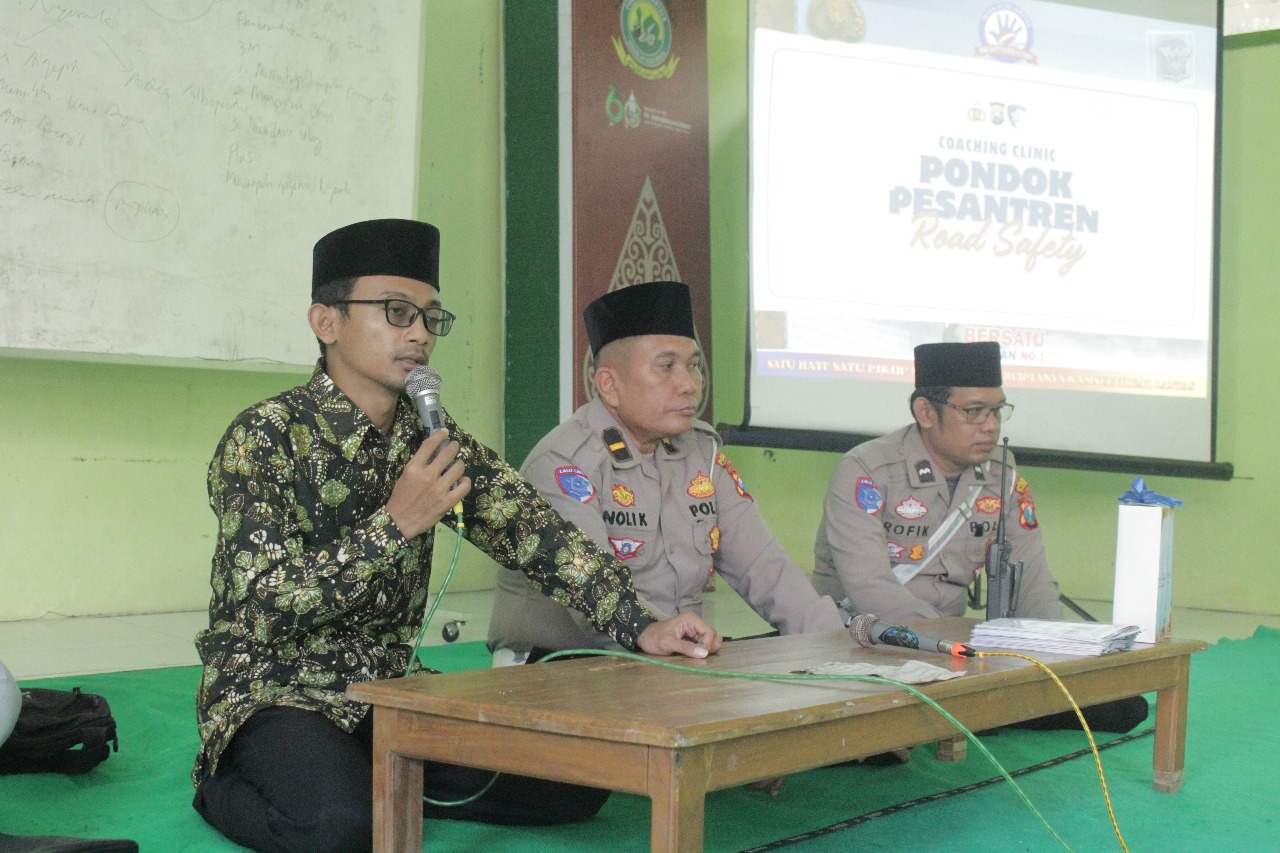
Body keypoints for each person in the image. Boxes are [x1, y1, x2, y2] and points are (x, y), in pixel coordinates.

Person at [192, 220, 721, 853]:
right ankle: (220, 778)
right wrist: (395, 524)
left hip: (391, 687)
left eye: (429, 317)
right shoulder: (266, 437)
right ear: (326, 321)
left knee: (574, 786)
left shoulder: (433, 439)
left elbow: (538, 535)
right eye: (395, 312)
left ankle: (374, 773)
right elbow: (263, 601)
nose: (418, 334)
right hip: (277, 687)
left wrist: (640, 623)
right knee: (342, 830)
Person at [487, 280, 844, 661]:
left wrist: (839, 644)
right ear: (609, 384)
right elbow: (589, 598)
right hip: (561, 662)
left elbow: (765, 568)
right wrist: (659, 635)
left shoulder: (701, 454)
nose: (689, 385)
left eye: (693, 366)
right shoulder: (564, 463)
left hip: (670, 657)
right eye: (667, 367)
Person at [812, 340, 1147, 733]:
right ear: (925, 412)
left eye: (996, 411)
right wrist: (955, 650)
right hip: (869, 641)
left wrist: (1055, 656)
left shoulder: (1000, 477)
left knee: (1124, 706)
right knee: (874, 727)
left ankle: (971, 708)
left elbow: (1031, 578)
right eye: (974, 411)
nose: (990, 425)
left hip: (956, 651)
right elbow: (870, 588)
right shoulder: (867, 471)